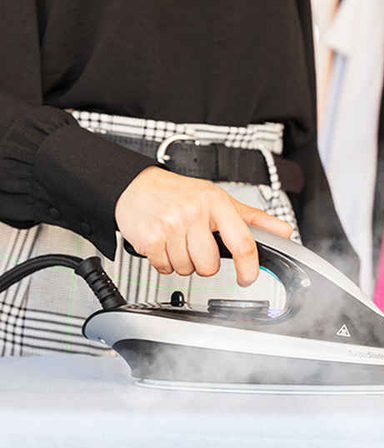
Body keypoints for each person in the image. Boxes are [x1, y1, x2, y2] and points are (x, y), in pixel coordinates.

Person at [0, 1, 357, 356]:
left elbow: (298, 129)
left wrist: (336, 262)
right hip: (78, 226)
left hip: (254, 244)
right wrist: (112, 178)